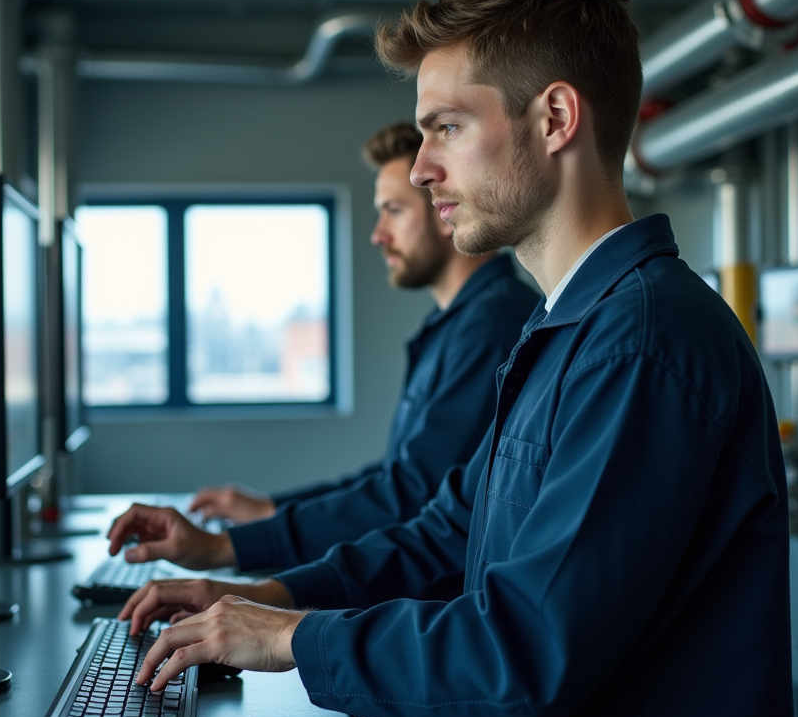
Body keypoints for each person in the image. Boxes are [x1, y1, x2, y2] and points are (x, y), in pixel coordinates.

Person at [118, 0, 796, 717]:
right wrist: (256, 597)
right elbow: (443, 532)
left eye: (447, 127)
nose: (421, 167)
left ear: (554, 119)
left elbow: (532, 646)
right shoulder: (567, 327)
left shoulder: (641, 343)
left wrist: (289, 640)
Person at [105, 123, 539, 575]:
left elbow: (412, 495)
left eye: (393, 211)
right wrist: (271, 509)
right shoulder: (455, 324)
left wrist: (233, 546)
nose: (378, 234)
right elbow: (395, 475)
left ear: (443, 207)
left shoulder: (491, 327)